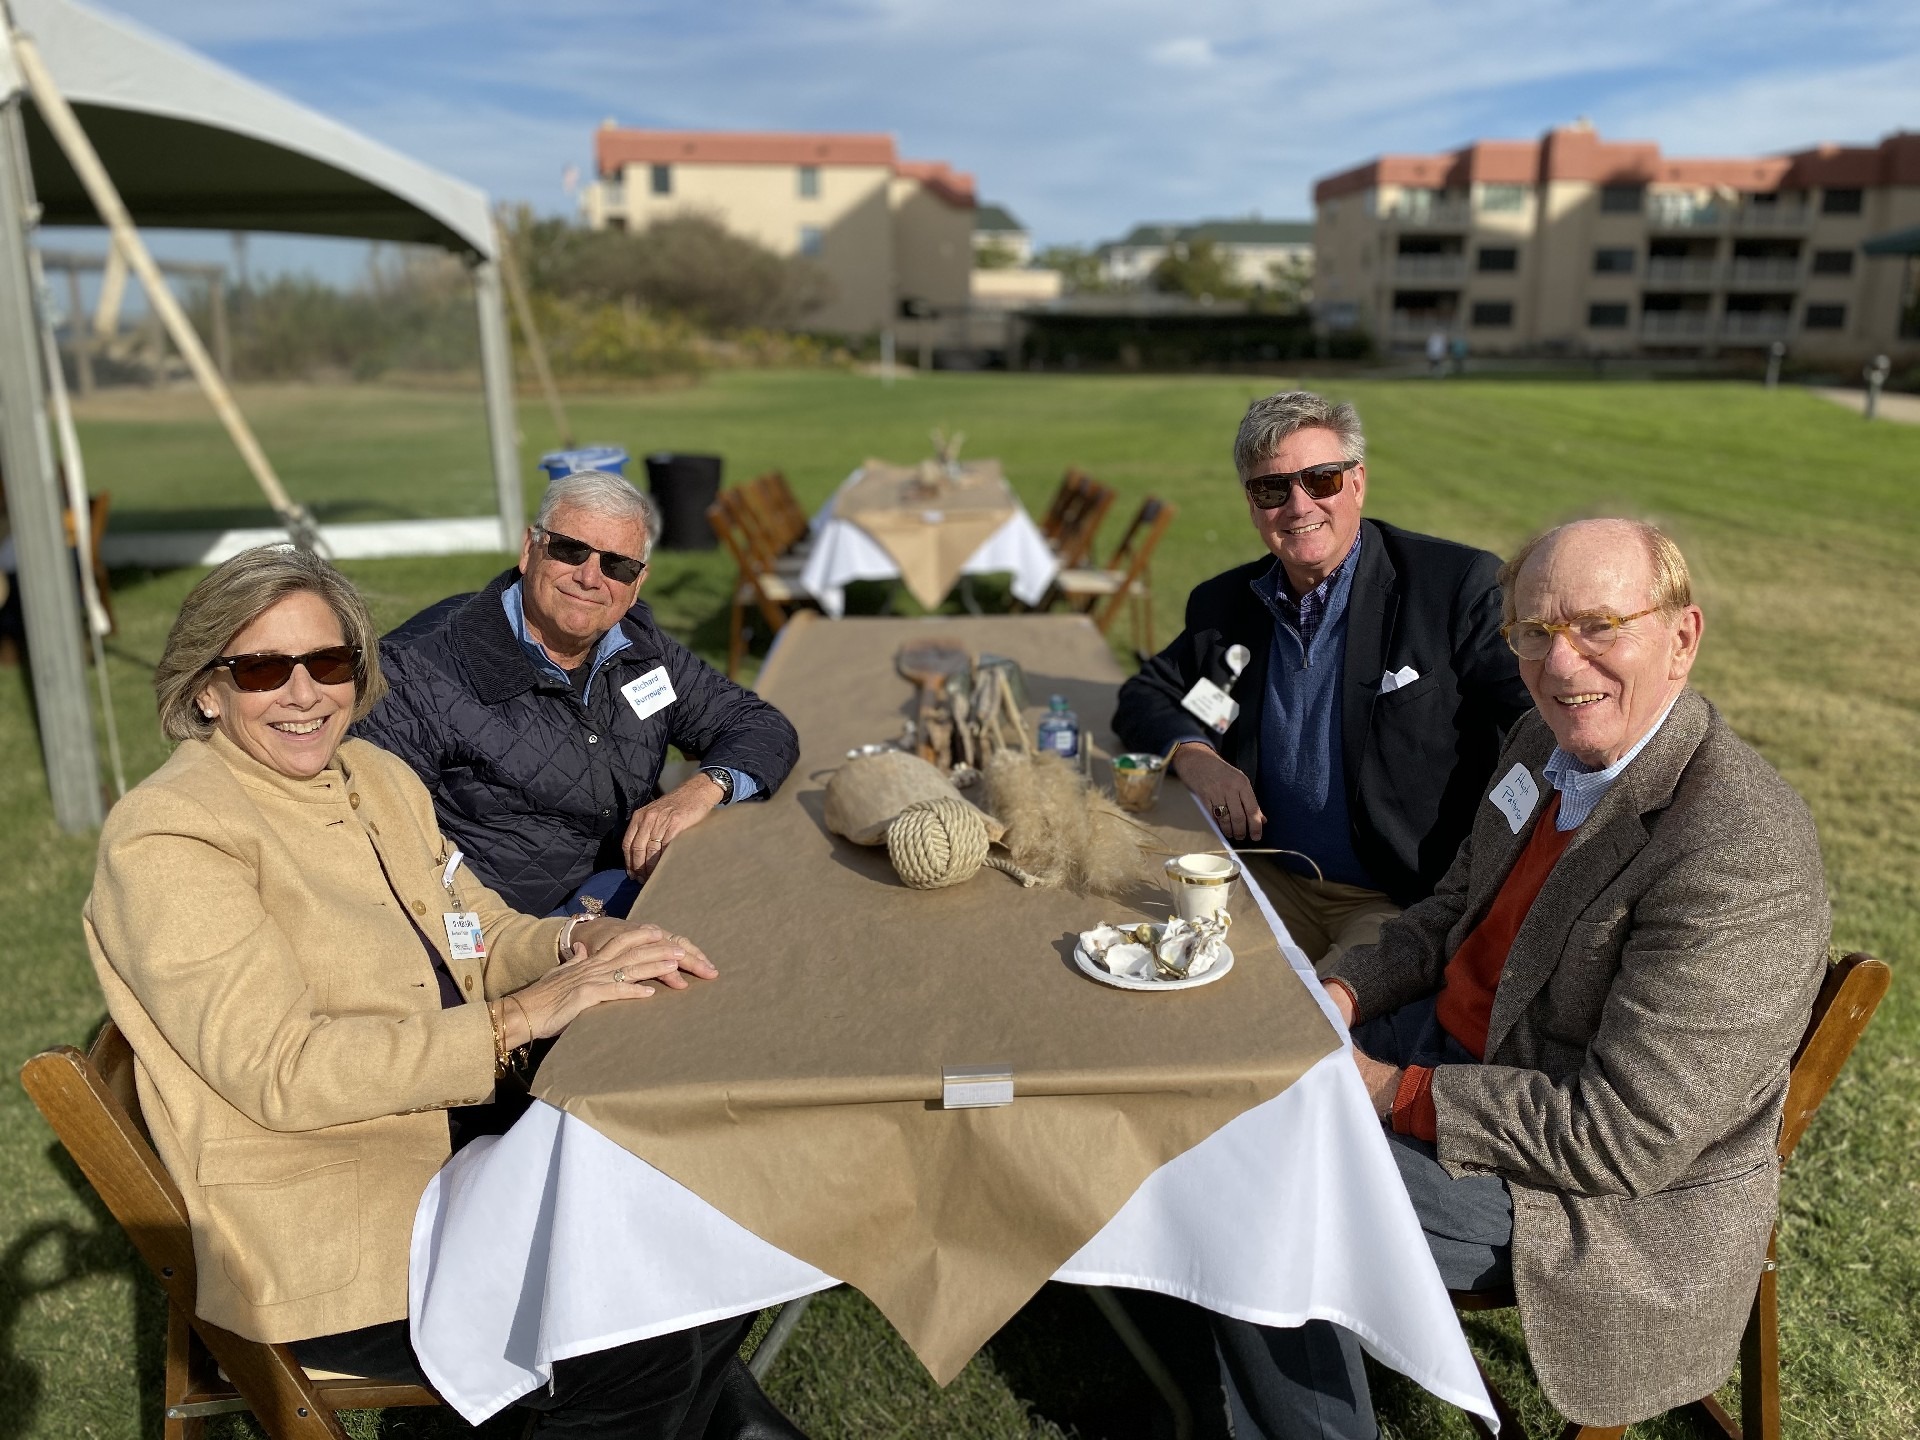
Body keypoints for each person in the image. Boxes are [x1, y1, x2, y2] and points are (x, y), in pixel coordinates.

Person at [84, 546, 805, 1438]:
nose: (306, 694)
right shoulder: (172, 837)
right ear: (206, 689)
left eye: (331, 661)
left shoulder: (374, 778)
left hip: (457, 1154)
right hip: (338, 1230)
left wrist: (580, 940)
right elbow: (285, 1070)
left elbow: (474, 932)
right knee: (636, 1329)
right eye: (265, 668)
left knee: (706, 1211)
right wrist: (520, 1018)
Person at [1210, 519, 1830, 1437]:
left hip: (1580, 1198)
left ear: (1682, 637)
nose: (1561, 663)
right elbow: (1447, 912)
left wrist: (1384, 1088)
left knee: (1259, 1190)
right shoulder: (1543, 749)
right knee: (1220, 1080)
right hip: (1456, 1052)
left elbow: (1622, 1139)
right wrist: (1337, 994)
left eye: (1598, 626)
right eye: (1534, 632)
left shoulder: (1739, 849)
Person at [1113, 391, 1530, 970]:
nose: (1298, 504)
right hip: (1266, 875)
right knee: (1167, 972)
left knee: (1318, 1029)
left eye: (1322, 480)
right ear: (1252, 504)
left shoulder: (1453, 585)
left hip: (1398, 898)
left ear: (1357, 483)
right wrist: (1195, 754)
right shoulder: (1226, 603)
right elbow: (1147, 692)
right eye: (1271, 488)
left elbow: (1538, 721)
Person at [356, 469, 799, 918]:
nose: (591, 578)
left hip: (627, 885)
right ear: (530, 549)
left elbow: (759, 725)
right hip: (505, 928)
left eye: (617, 565)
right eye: (571, 550)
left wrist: (703, 789)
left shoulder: (637, 642)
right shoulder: (417, 671)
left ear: (637, 584)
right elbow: (380, 853)